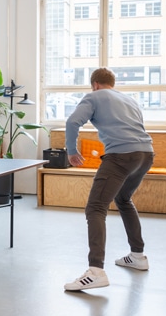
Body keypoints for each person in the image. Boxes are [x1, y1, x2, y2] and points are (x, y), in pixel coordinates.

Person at [64, 67, 154, 291]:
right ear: (112, 83)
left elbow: (72, 122)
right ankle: (138, 256)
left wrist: (72, 151)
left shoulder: (94, 96)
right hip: (146, 154)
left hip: (121, 156)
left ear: (94, 84)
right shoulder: (129, 100)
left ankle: (96, 271)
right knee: (123, 199)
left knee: (95, 208)